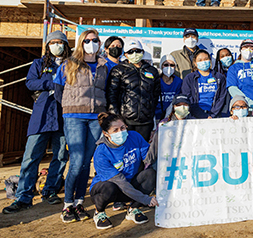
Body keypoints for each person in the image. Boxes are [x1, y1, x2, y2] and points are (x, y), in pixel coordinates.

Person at [2, 31, 71, 214]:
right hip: (41, 117)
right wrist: (52, 84)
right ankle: (23, 196)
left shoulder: (71, 65)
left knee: (60, 156)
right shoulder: (39, 64)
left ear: (66, 45)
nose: (57, 45)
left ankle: (50, 191)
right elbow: (30, 83)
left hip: (63, 117)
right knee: (31, 156)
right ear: (48, 46)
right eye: (53, 42)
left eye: (60, 42)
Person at [53, 28, 109, 223]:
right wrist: (69, 108)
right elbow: (59, 90)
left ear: (99, 43)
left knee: (86, 161)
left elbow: (105, 90)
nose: (91, 44)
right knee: (76, 162)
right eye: (87, 40)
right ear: (81, 43)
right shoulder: (69, 64)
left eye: (94, 40)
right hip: (75, 117)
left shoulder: (104, 66)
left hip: (96, 118)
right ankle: (67, 204)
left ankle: (78, 201)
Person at [90, 112, 158, 230]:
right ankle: (99, 212)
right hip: (108, 188)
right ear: (106, 134)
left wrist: (157, 140)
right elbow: (120, 182)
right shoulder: (101, 152)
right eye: (115, 130)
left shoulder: (134, 137)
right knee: (109, 187)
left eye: (122, 128)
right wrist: (145, 199)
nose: (120, 132)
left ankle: (133, 209)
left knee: (150, 174)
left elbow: (149, 159)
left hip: (128, 185)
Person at [107, 39, 160, 141]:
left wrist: (150, 113)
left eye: (138, 51)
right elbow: (112, 95)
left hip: (145, 121)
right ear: (125, 54)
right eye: (131, 51)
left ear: (142, 52)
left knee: (142, 150)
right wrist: (116, 118)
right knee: (126, 150)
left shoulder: (152, 71)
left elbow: (155, 94)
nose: (134, 54)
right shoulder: (118, 70)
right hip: (125, 121)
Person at [144, 95, 193, 171]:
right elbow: (155, 147)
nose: (182, 107)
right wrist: (148, 164)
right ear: (174, 107)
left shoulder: (195, 123)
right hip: (169, 158)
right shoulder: (165, 124)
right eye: (179, 105)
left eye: (185, 105)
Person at [180, 49, 227, 118]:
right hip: (195, 115)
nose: (203, 62)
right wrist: (202, 115)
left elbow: (221, 98)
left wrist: (212, 115)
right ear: (195, 63)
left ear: (210, 61)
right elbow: (188, 99)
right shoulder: (190, 78)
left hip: (215, 115)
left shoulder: (219, 77)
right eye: (200, 60)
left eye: (206, 59)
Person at [156, 54, 182, 122]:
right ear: (161, 66)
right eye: (166, 65)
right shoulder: (156, 81)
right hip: (156, 117)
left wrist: (167, 117)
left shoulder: (178, 82)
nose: (169, 67)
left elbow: (176, 101)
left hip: (171, 117)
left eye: (172, 65)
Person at [214, 47, 234, 117]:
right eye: (222, 56)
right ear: (218, 59)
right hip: (222, 107)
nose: (226, 57)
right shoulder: (216, 74)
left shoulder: (238, 70)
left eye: (228, 55)